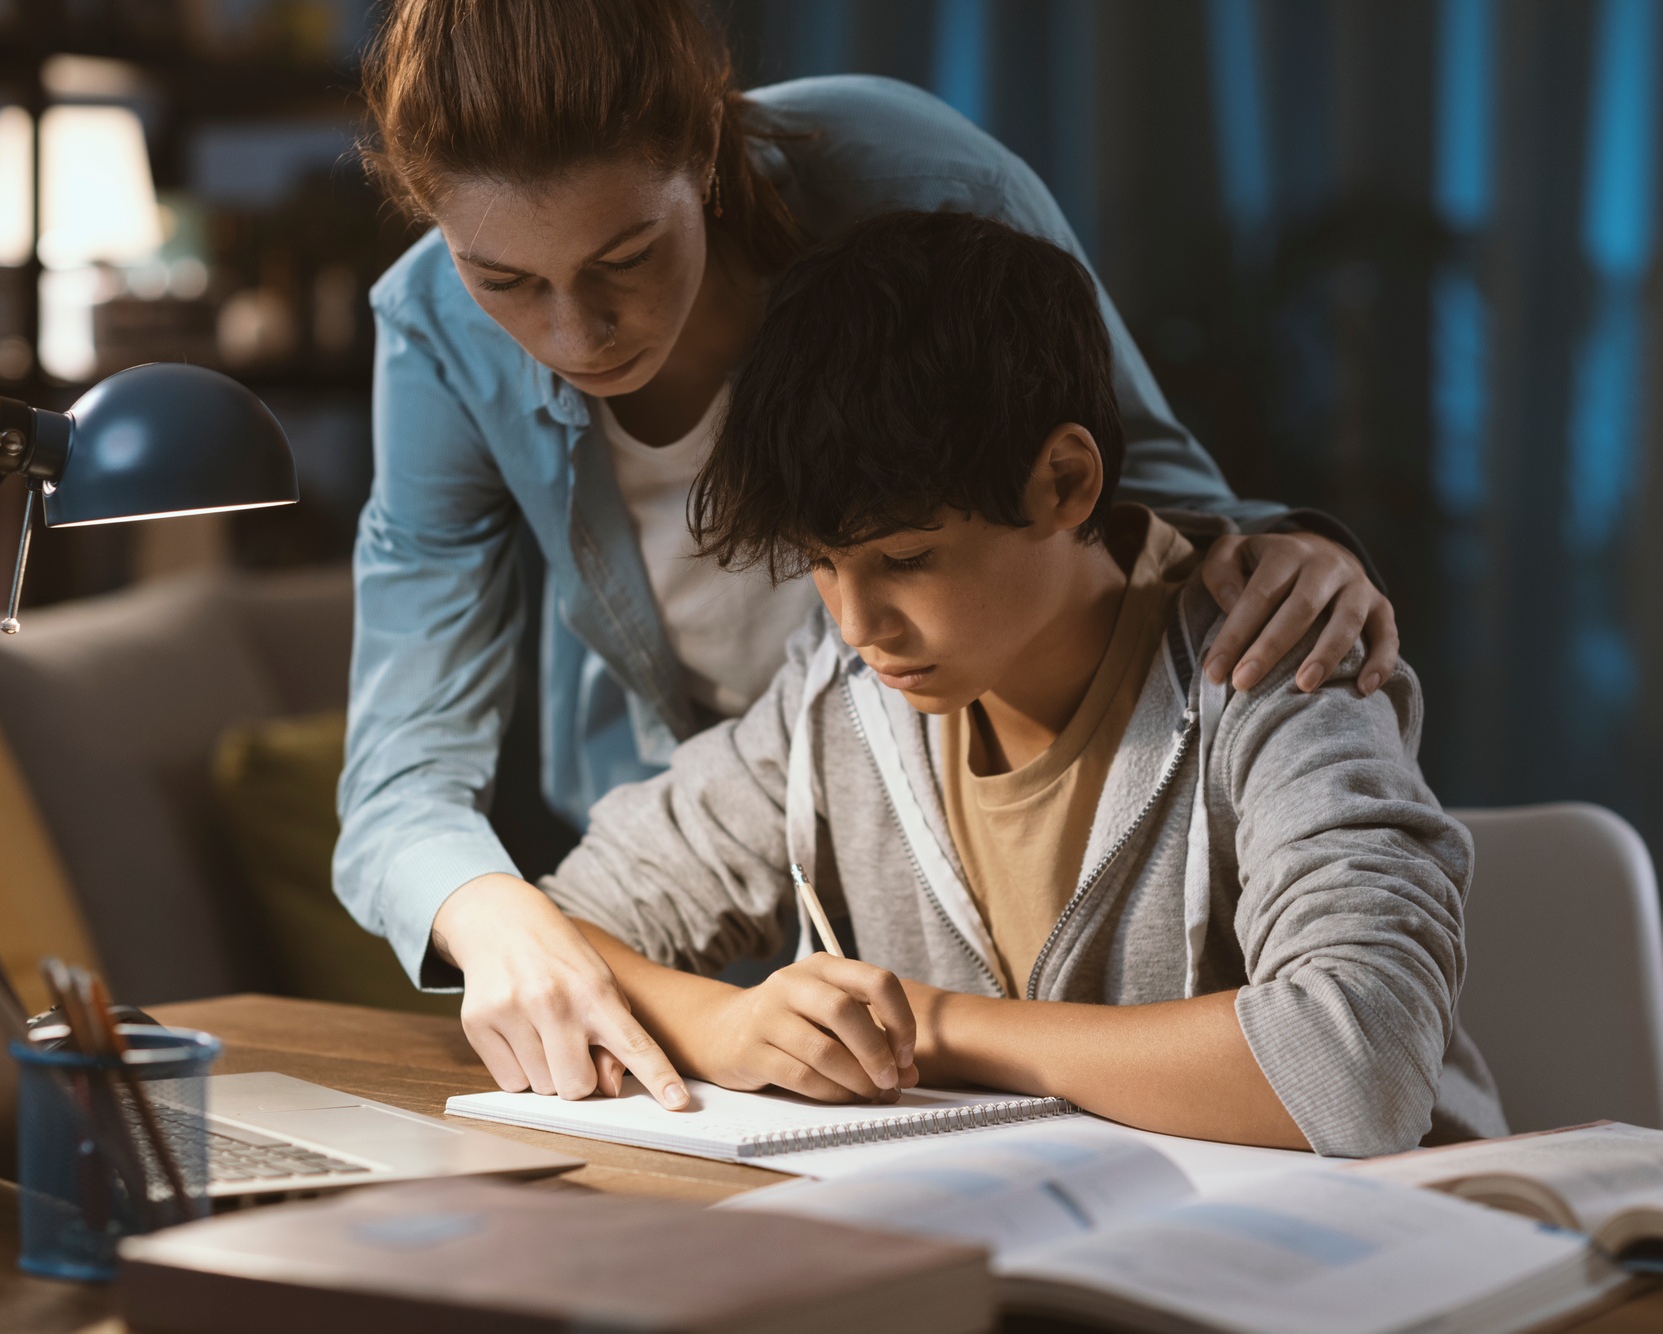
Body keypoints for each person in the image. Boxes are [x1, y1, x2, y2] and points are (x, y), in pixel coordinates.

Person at [342, 0, 1404, 1111]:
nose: (576, 337)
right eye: (504, 281)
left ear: (702, 152)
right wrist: (494, 916)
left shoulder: (897, 173)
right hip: (788, 820)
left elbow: (1138, 492)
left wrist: (1297, 552)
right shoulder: (829, 704)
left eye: (626, 255)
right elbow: (413, 781)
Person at [537, 210, 1506, 1155]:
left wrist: (941, 1026)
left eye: (906, 557)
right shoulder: (839, 699)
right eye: (821, 562)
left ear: (1063, 483)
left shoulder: (1270, 659)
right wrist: (724, 1026)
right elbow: (562, 925)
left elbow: (1359, 1062)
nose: (855, 622)